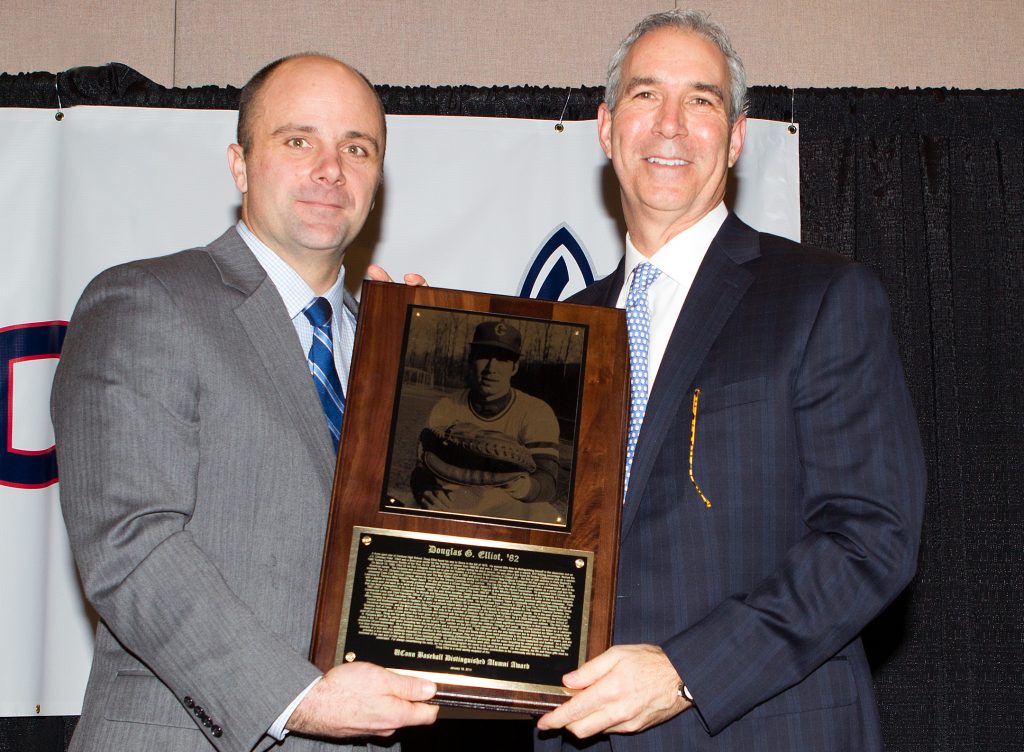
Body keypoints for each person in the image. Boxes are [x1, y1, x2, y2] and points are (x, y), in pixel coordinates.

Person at [535, 9, 926, 751]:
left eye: (703, 100)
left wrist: (688, 671)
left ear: (737, 136)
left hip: (761, 729)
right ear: (606, 127)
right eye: (646, 95)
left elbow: (872, 538)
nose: (671, 124)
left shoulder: (819, 296)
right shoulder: (557, 329)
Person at [51, 54, 438, 752]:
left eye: (357, 148)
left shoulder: (394, 351)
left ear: (377, 181)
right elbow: (130, 544)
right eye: (299, 141)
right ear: (239, 164)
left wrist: (431, 382)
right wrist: (297, 698)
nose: (331, 169)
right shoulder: (145, 302)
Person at [410, 320, 563, 523]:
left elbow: (548, 482)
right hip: (454, 497)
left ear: (515, 367)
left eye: (502, 359)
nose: (491, 368)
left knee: (548, 516)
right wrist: (426, 491)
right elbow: (422, 467)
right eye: (484, 356)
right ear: (471, 359)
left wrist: (521, 485)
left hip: (508, 502)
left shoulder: (536, 411)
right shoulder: (447, 406)